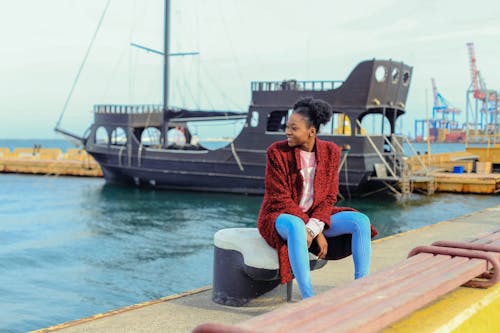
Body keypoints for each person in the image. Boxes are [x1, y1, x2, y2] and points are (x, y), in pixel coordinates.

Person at [257, 96, 378, 299]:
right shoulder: (277, 152)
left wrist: (314, 228)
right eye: (287, 126)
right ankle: (308, 297)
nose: (287, 131)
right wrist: (316, 231)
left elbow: (329, 197)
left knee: (360, 221)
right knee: (296, 225)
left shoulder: (330, 152)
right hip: (279, 216)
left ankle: (361, 289)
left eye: (294, 128)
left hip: (315, 216)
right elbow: (280, 199)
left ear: (311, 131)